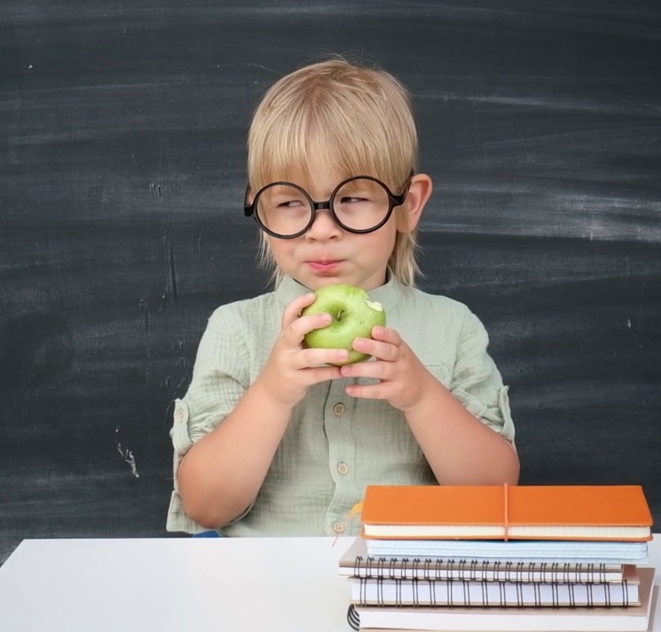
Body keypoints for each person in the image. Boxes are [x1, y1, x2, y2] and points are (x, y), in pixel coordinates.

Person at [167, 57, 519, 537]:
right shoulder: (237, 330)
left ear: (408, 205)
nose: (322, 231)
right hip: (263, 594)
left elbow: (495, 498)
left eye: (352, 198)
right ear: (258, 205)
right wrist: (271, 394)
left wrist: (421, 396)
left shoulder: (453, 328)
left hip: (405, 589)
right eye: (290, 202)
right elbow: (207, 506)